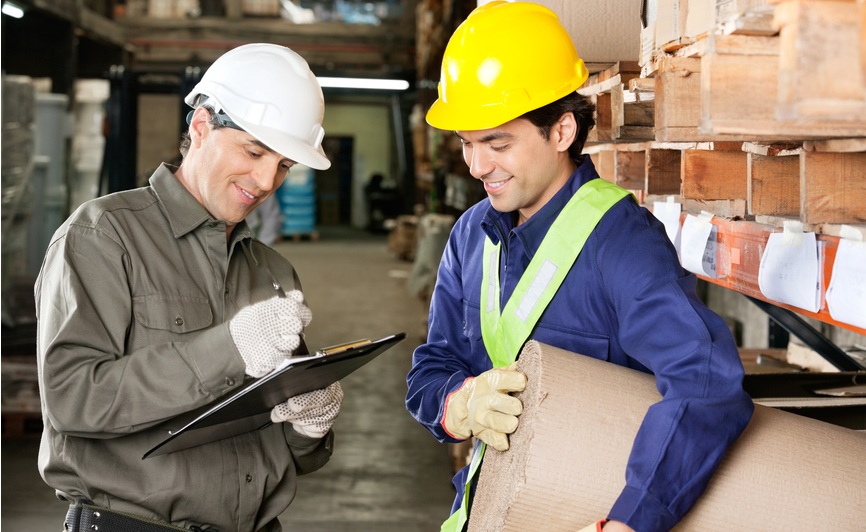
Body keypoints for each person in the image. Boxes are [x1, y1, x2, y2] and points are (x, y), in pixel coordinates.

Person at [404, 3, 755, 532]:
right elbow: (432, 366)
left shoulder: (621, 243)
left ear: (562, 130)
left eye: (497, 143)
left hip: (588, 515)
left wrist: (636, 518)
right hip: (489, 511)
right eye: (468, 143)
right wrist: (460, 403)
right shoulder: (470, 236)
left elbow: (705, 383)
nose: (477, 167)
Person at [35, 43, 343, 532]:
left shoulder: (272, 271)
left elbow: (293, 456)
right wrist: (231, 346)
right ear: (201, 127)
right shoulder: (102, 236)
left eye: (284, 165)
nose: (266, 180)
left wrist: (310, 425)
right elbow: (72, 398)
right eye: (254, 150)